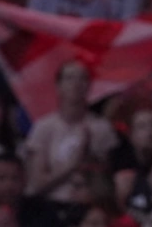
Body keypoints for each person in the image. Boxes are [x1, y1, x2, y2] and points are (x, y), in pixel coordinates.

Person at [23, 61, 118, 208]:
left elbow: (106, 179)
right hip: (51, 204)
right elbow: (37, 184)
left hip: (89, 205)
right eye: (69, 78)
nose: (76, 83)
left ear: (89, 86)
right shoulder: (43, 127)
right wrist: (73, 164)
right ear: (58, 86)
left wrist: (90, 159)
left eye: (82, 78)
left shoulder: (101, 128)